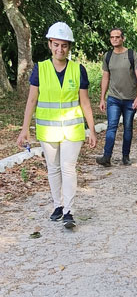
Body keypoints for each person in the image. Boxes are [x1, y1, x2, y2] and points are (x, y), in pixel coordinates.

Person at [17, 22, 97, 229]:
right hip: (47, 129)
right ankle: (57, 205)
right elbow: (32, 100)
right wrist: (24, 129)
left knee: (68, 168)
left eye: (64, 46)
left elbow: (85, 102)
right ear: (50, 44)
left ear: (69, 47)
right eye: (56, 45)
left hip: (72, 129)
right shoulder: (40, 69)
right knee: (53, 169)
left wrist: (92, 130)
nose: (60, 49)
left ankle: (69, 211)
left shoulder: (78, 70)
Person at [96, 28, 137, 167]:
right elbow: (105, 77)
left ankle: (125, 156)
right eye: (112, 37)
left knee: (128, 127)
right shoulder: (108, 56)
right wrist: (102, 98)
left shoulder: (132, 55)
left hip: (130, 98)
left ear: (123, 38)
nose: (114, 39)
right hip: (113, 98)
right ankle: (107, 157)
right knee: (112, 126)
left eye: (117, 37)